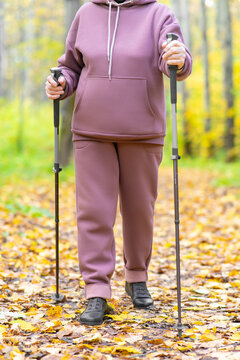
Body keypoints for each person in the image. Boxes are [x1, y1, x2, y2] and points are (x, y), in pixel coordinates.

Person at [45, 0, 192, 326]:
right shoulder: (86, 13)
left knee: (140, 210)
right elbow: (71, 67)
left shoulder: (158, 13)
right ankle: (96, 289)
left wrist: (179, 60)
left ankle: (136, 276)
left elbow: (178, 58)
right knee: (94, 210)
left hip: (143, 130)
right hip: (91, 130)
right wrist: (61, 83)